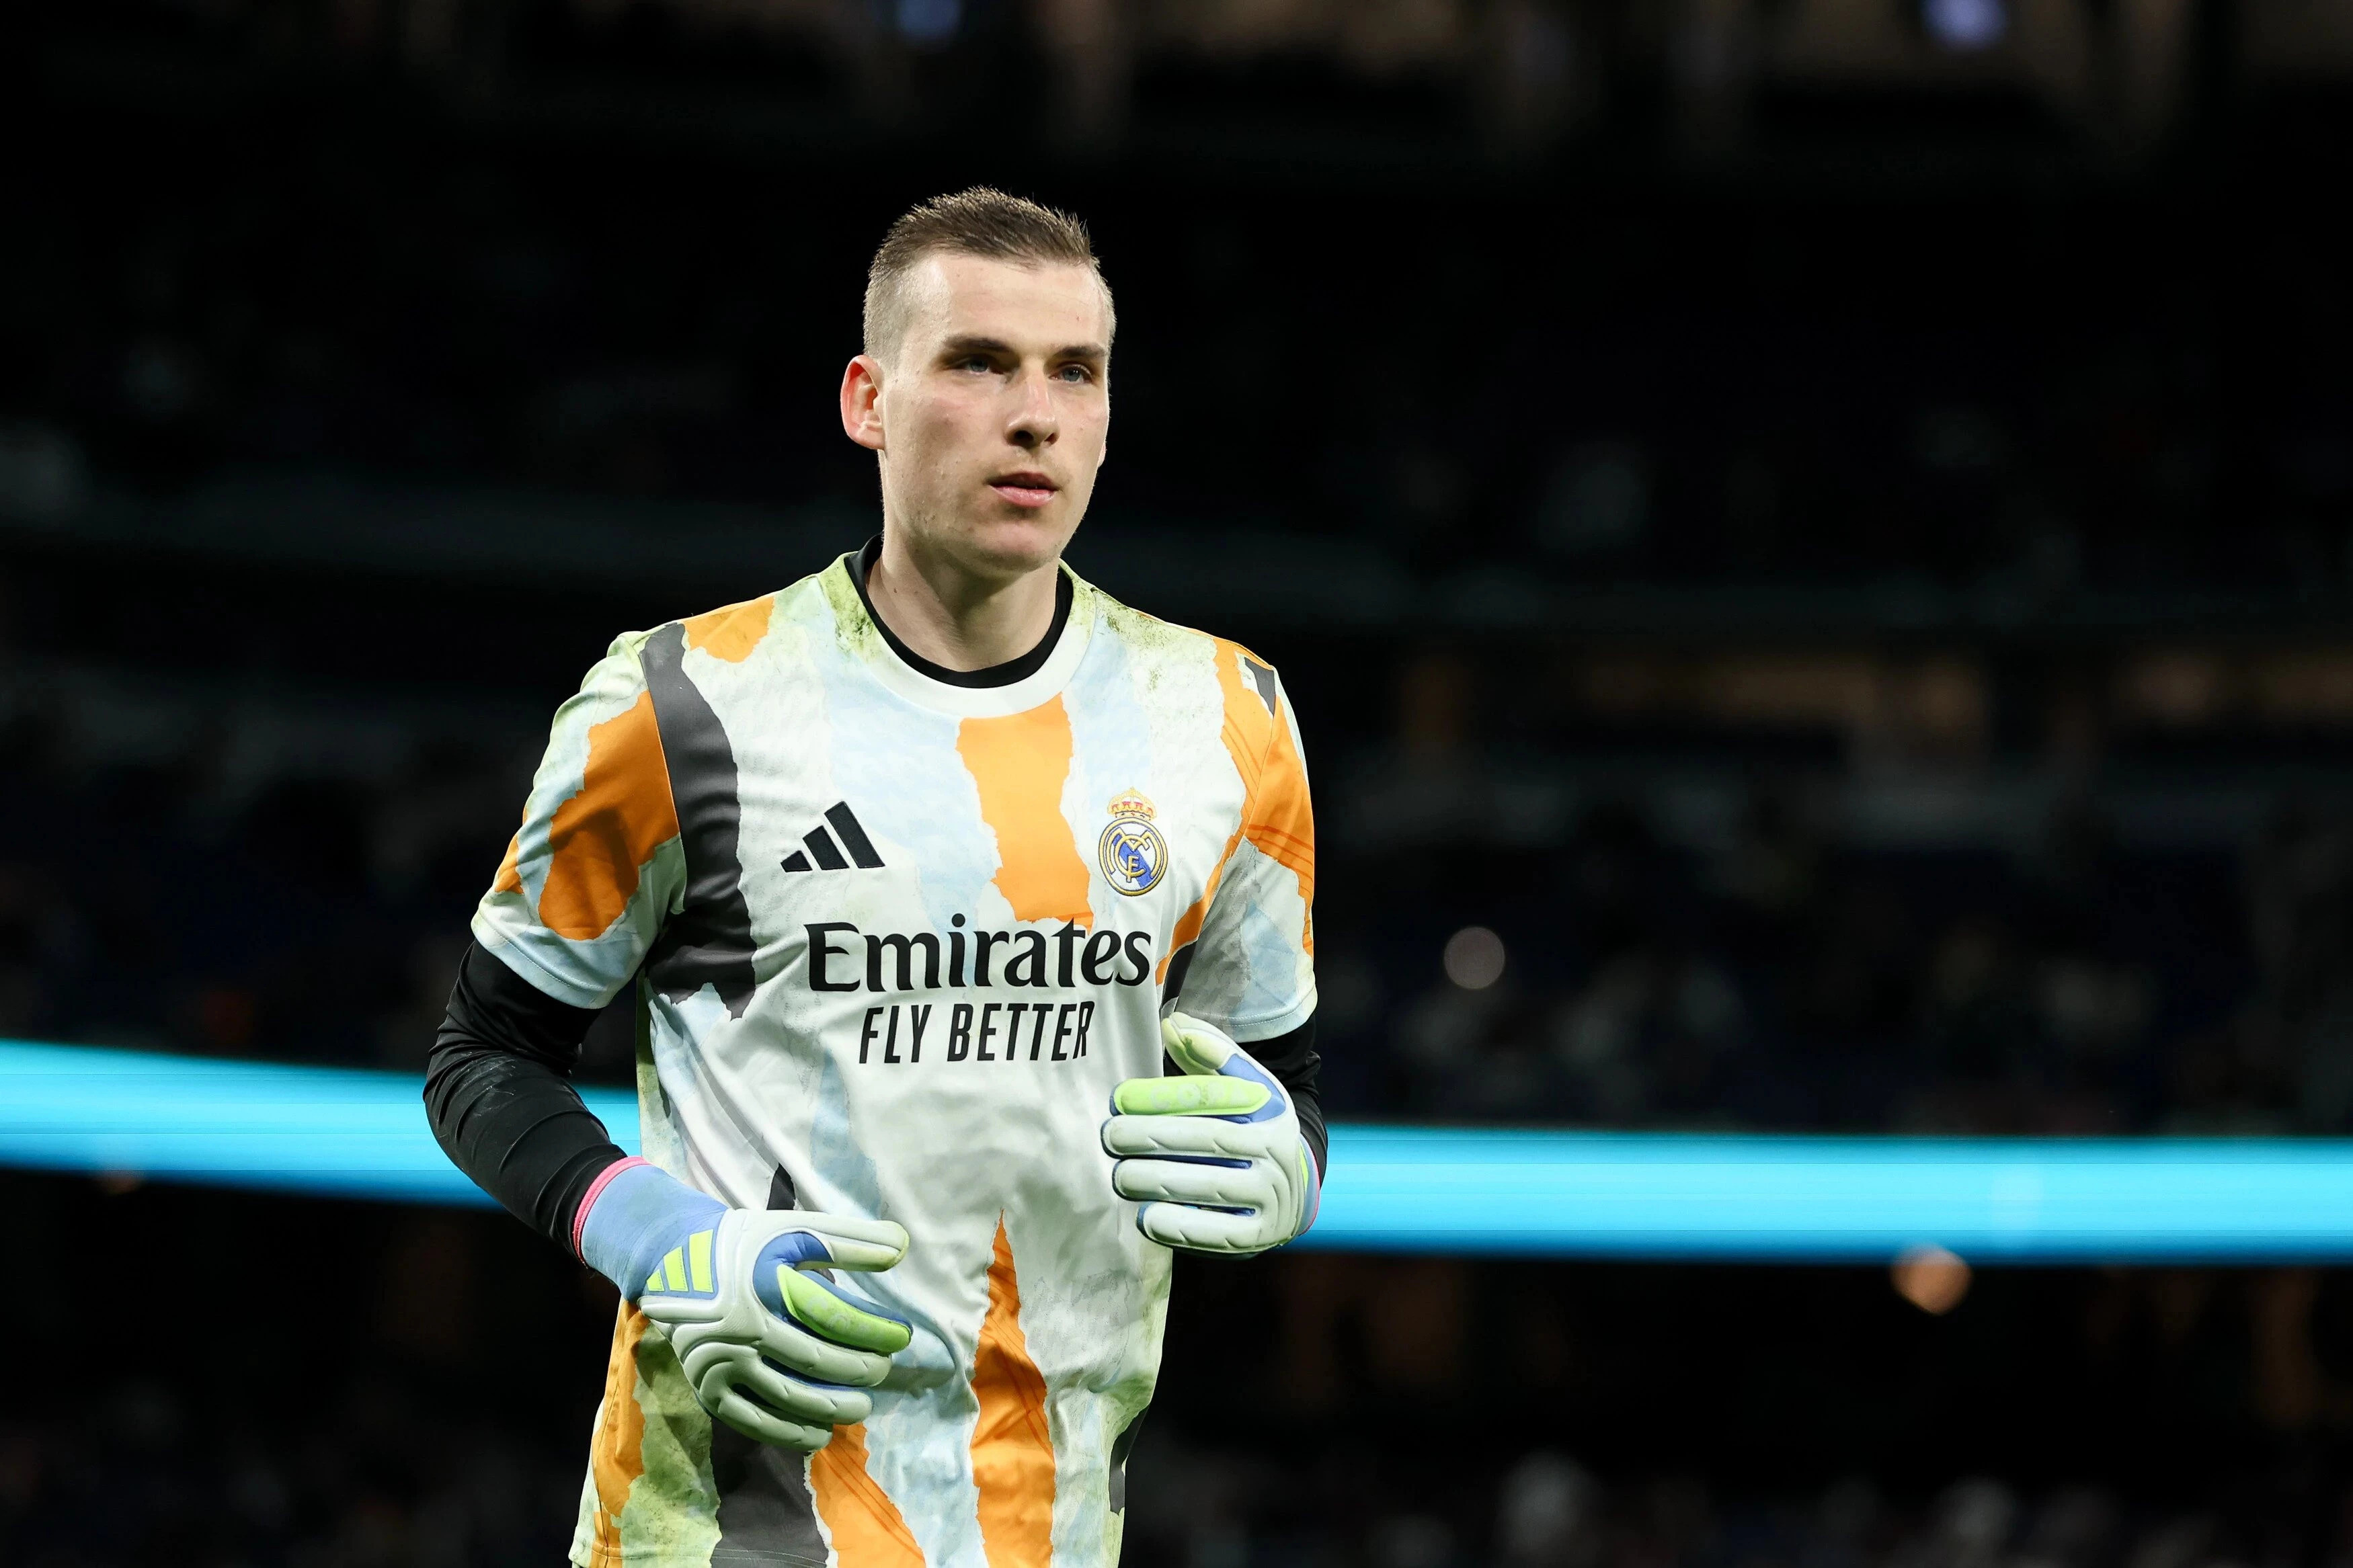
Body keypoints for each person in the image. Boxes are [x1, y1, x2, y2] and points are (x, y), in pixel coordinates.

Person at [425, 188, 1325, 1568]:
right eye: (979, 363)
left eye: (1074, 373)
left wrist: (1292, 1169)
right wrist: (661, 1236)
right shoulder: (683, 704)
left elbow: (1283, 1088)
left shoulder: (1227, 719)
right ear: (868, 401)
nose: (1034, 416)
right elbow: (483, 1057)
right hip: (719, 1532)